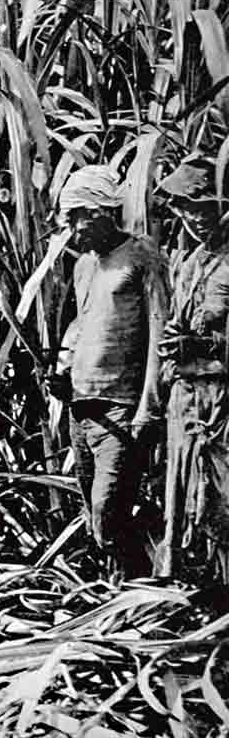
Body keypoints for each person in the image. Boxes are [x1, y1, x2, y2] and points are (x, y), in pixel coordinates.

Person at [50, 164, 168, 578]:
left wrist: (148, 407)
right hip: (81, 406)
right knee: (93, 515)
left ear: (100, 213)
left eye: (76, 219)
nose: (71, 231)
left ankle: (138, 587)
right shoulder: (85, 266)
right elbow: (82, 324)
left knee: (108, 510)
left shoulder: (142, 256)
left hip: (120, 407)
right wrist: (65, 371)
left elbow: (159, 332)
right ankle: (113, 591)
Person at [155, 156, 229, 580]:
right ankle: (194, 582)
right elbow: (175, 321)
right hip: (185, 396)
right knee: (184, 487)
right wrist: (173, 345)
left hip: (221, 399)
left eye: (203, 209)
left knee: (221, 493)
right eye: (186, 209)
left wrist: (205, 344)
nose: (195, 219)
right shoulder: (190, 262)